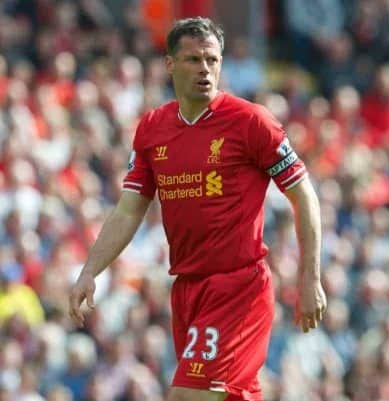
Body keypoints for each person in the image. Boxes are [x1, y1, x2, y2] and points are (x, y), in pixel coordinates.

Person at [68, 17, 327, 401]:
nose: (205, 70)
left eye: (212, 60)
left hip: (238, 287)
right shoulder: (153, 129)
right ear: (170, 64)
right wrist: (91, 270)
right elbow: (128, 209)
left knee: (189, 396)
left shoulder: (251, 122)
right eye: (193, 60)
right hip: (187, 290)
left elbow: (303, 194)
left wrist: (310, 278)